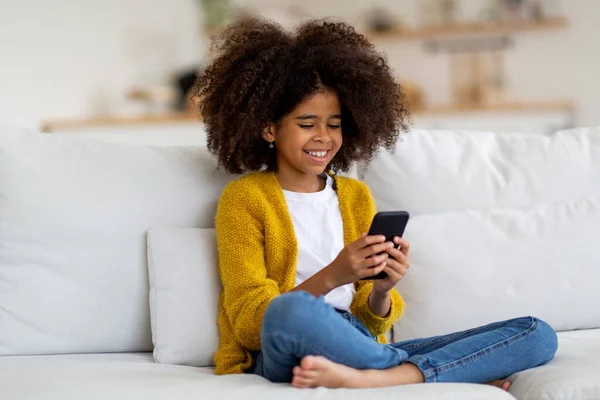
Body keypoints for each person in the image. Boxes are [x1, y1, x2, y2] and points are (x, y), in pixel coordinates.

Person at [191, 16, 558, 390]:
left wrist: (382, 288)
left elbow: (371, 323)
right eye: (307, 123)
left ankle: (379, 376)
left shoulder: (354, 196)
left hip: (359, 343)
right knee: (290, 309)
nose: (324, 137)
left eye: (333, 124)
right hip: (290, 343)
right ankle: (419, 373)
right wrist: (335, 274)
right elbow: (253, 323)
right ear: (269, 128)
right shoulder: (244, 199)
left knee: (537, 333)